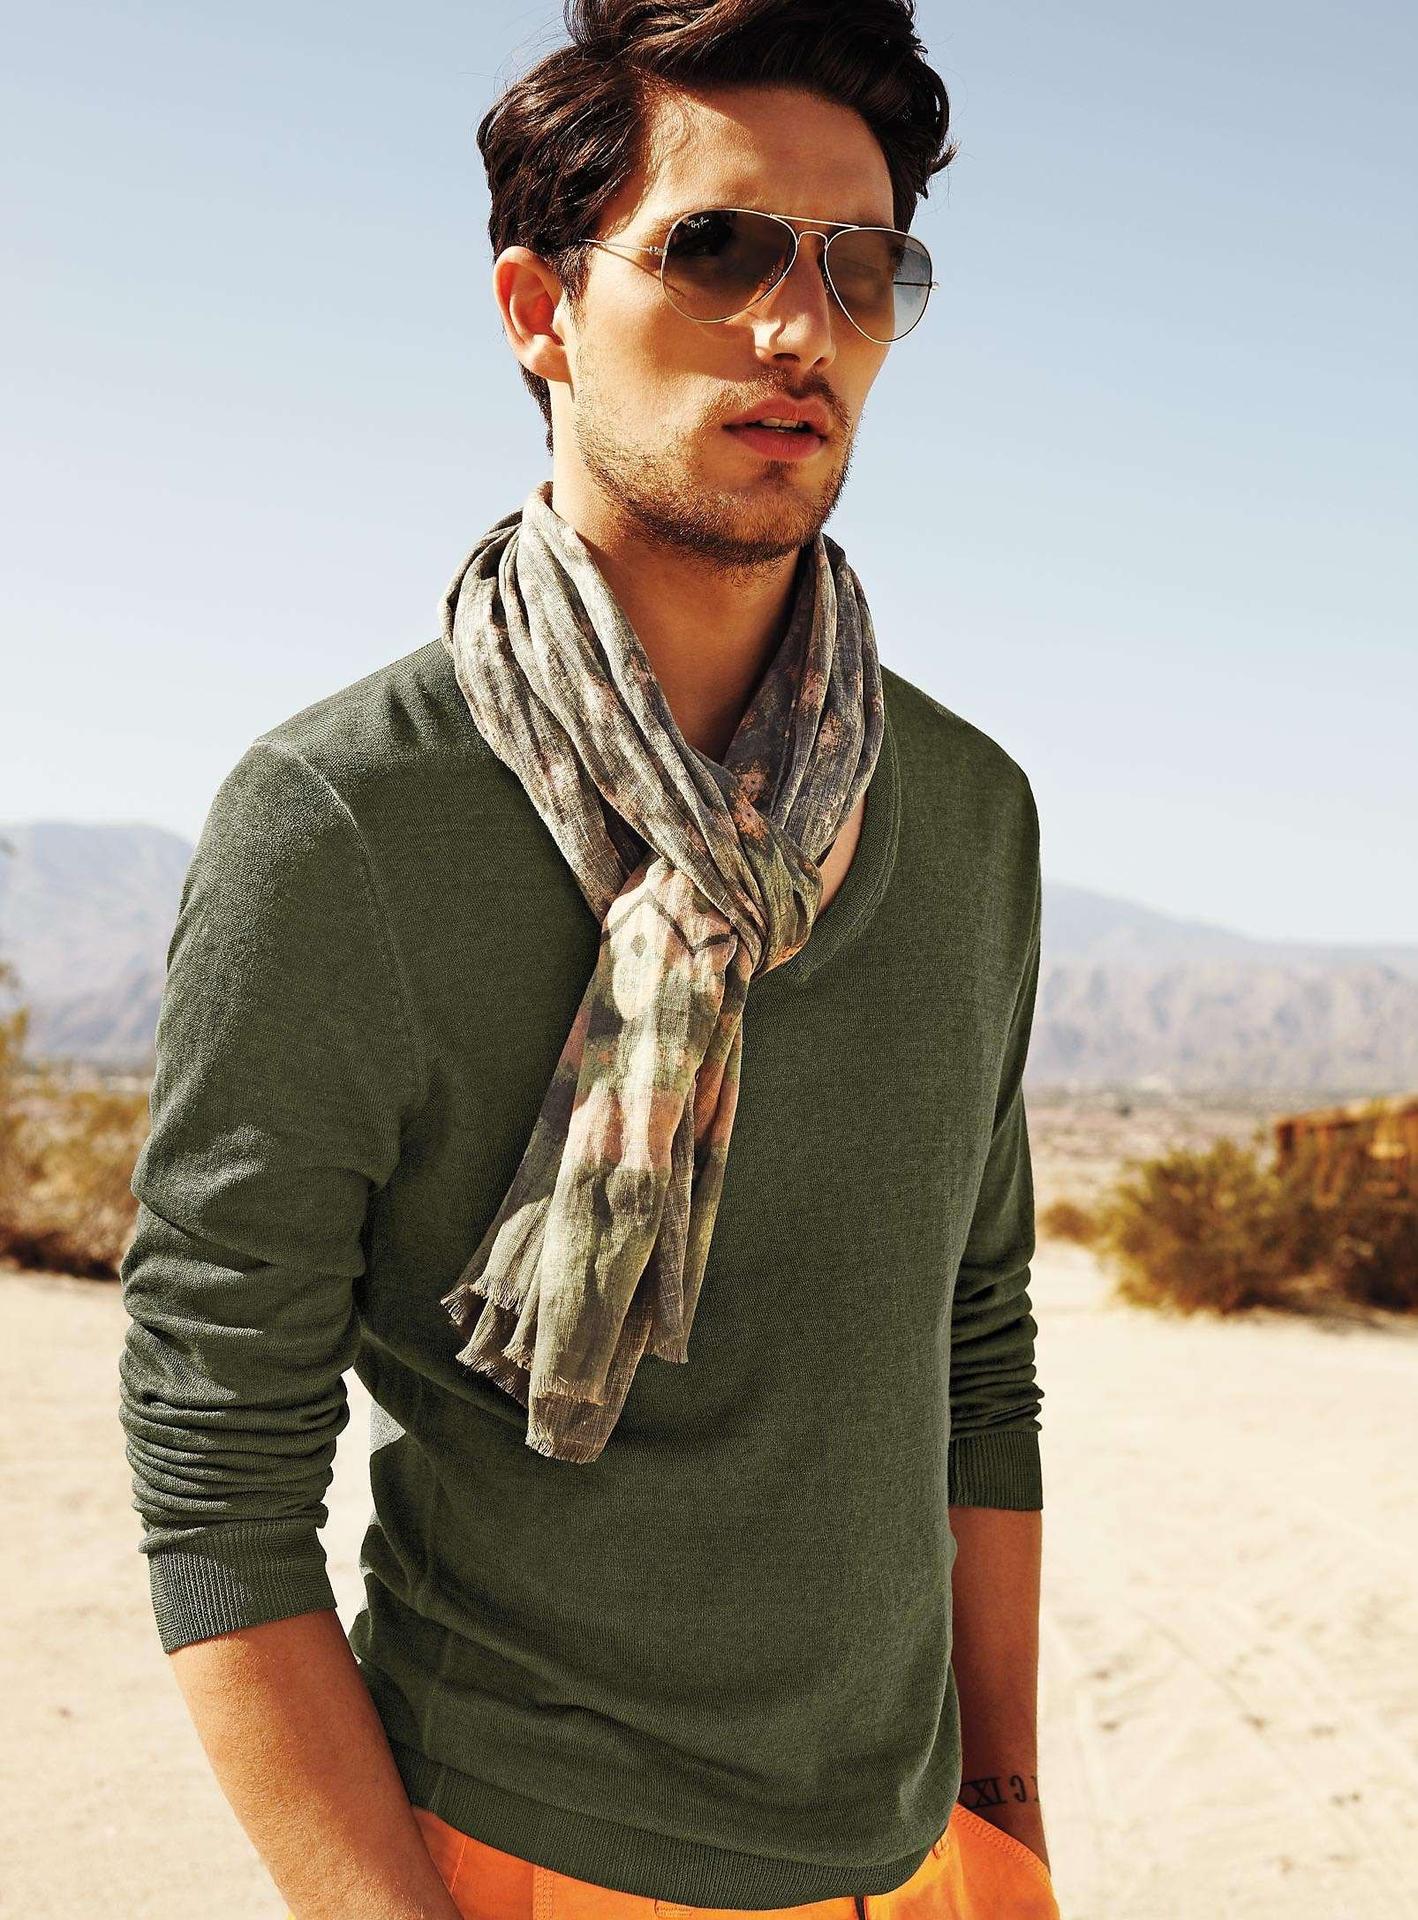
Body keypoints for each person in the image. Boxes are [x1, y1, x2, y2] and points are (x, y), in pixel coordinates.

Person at [117, 3, 1058, 1917]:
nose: (799, 330)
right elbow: (214, 1466)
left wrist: (1006, 1822)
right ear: (538, 310)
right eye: (717, 250)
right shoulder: (345, 821)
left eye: (861, 269)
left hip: (918, 1868)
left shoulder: (967, 817)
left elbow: (974, 1344)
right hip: (527, 1860)